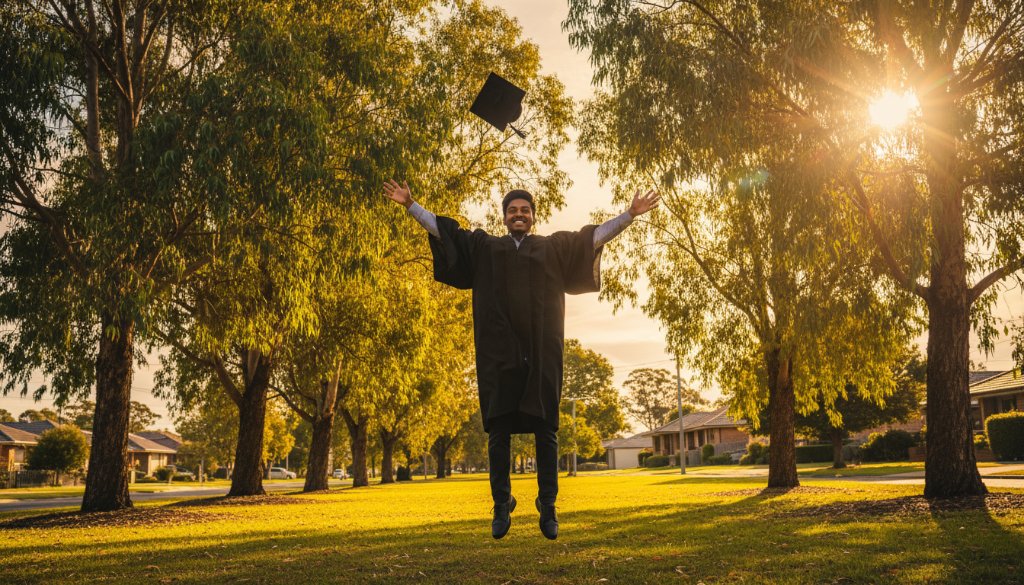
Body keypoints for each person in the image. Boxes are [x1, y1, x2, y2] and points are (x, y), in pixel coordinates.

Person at [384, 180, 659, 539]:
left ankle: (548, 505)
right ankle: (502, 505)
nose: (519, 214)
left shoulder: (553, 248)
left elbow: (592, 238)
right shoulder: (485, 247)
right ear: (505, 217)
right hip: (498, 355)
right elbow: (445, 231)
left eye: (524, 210)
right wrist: (411, 205)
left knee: (546, 431)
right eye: (513, 210)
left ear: (532, 216)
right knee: (498, 432)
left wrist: (629, 215)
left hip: (541, 355)